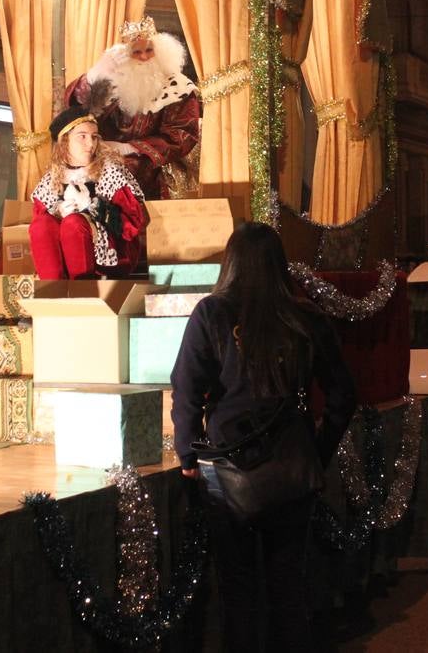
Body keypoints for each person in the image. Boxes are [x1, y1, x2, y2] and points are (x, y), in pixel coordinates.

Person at [171, 222, 356, 650]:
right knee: (288, 586)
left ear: (230, 262)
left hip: (227, 475)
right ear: (279, 264)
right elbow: (343, 393)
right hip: (293, 470)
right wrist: (318, 449)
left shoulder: (211, 314)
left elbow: (186, 388)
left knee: (237, 592)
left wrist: (186, 456)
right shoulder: (305, 316)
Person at [63, 16, 201, 200]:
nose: (144, 57)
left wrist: (130, 148)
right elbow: (75, 112)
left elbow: (182, 135)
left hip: (155, 165)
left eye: (149, 50)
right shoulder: (113, 81)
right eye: (137, 52)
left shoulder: (178, 88)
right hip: (101, 156)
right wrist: (94, 76)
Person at [29, 106, 149, 280]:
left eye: (94, 137)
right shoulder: (50, 180)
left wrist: (94, 206)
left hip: (112, 253)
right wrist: (57, 213)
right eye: (82, 137)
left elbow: (132, 225)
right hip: (66, 254)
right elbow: (42, 229)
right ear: (64, 141)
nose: (91, 144)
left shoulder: (110, 172)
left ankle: (82, 292)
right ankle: (53, 291)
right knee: (41, 225)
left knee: (73, 224)